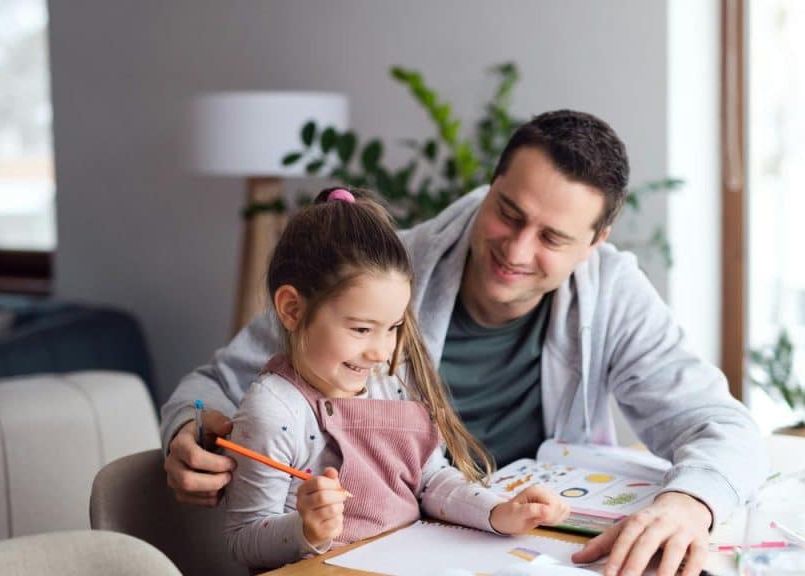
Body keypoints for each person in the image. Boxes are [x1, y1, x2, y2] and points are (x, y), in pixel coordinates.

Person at [162, 110, 767, 576]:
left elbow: (721, 424)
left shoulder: (613, 293)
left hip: (523, 542)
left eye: (553, 238)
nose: (517, 250)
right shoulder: (381, 281)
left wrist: (690, 504)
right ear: (491, 184)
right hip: (384, 548)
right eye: (508, 212)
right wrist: (187, 427)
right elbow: (209, 386)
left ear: (595, 242)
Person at [223, 187, 569, 568]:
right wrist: (305, 530)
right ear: (291, 309)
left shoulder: (390, 380)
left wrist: (498, 512)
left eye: (393, 328)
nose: (381, 351)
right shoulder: (274, 412)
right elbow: (243, 542)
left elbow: (431, 479)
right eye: (360, 329)